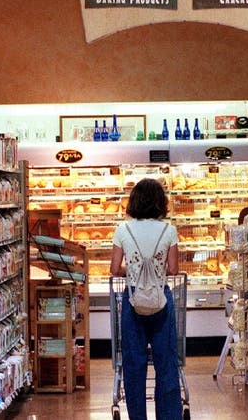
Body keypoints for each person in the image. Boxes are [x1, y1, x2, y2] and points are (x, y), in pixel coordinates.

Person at [110, 178, 183, 420]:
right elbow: (173, 269)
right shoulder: (169, 230)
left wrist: (132, 272)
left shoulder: (123, 229)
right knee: (166, 363)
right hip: (161, 299)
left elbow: (114, 268)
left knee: (134, 364)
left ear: (134, 202)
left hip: (133, 300)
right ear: (161, 202)